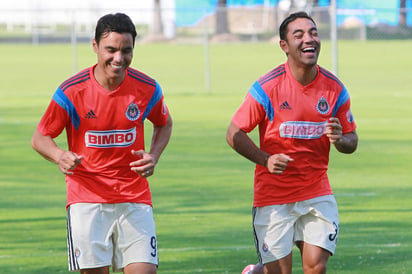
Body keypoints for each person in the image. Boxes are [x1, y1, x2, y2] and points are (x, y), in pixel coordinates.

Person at [31, 13, 172, 274]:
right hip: (87, 200)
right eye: (111, 50)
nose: (118, 58)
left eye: (126, 51)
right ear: (95, 47)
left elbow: (164, 123)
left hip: (134, 197)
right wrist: (59, 155)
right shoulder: (72, 91)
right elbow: (40, 137)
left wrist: (154, 155)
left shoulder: (147, 88)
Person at [226, 11, 358, 274]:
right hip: (273, 196)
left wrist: (340, 138)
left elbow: (352, 141)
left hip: (316, 192)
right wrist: (266, 159)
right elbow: (234, 133)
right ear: (284, 46)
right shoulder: (267, 88)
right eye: (299, 35)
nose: (309, 39)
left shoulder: (334, 89)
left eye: (313, 32)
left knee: (316, 267)